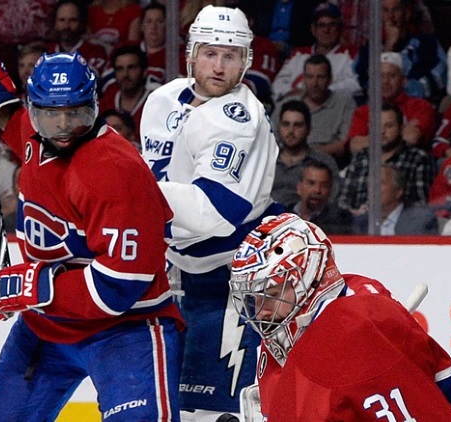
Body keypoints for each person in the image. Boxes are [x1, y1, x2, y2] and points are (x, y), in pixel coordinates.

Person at [0, 47, 183, 420]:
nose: (63, 128)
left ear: (92, 106)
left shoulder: (116, 171)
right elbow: (10, 117)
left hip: (125, 329)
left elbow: (121, 285)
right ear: (35, 111)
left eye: (75, 114)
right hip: (49, 325)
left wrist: (39, 286)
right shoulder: (34, 135)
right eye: (50, 115)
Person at [139, 6, 283, 419]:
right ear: (191, 55)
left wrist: (132, 194)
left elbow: (214, 212)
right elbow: (157, 171)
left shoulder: (240, 119)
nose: (218, 67)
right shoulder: (163, 100)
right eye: (209, 54)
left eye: (230, 56)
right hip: (176, 272)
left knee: (226, 409)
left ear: (246, 62)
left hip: (235, 278)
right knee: (174, 404)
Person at [228, 212, 451, 421]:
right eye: (255, 298)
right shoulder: (280, 332)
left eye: (271, 294)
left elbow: (446, 388)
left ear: (307, 279)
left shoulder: (369, 319)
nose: (262, 310)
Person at [339, 103, 436, 213]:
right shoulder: (360, 157)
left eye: (389, 126)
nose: (382, 131)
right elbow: (343, 201)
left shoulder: (418, 158)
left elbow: (421, 204)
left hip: (399, 225)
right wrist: (353, 213)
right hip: (357, 224)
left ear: (401, 128)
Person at [353, 0, 447, 103]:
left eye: (396, 10)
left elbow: (440, 77)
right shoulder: (368, 49)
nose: (390, 16)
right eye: (385, 10)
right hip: (378, 112)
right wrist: (389, 47)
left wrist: (399, 90)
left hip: (416, 107)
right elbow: (358, 84)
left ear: (406, 13)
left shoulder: (428, 43)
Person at [270, 54, 355, 165]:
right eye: (310, 77)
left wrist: (307, 155)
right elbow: (270, 138)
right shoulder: (286, 104)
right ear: (304, 79)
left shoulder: (345, 103)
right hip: (285, 162)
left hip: (328, 164)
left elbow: (345, 143)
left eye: (320, 77)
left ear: (330, 79)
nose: (315, 83)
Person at [347, 52, 436, 154]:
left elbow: (412, 138)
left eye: (392, 75)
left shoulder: (420, 106)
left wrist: (370, 139)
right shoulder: (363, 111)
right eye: (380, 76)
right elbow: (355, 146)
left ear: (404, 81)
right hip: (371, 165)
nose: (385, 81)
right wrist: (399, 133)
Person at [271, 3, 360, 103]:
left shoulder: (351, 54)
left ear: (339, 29)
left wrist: (316, 92)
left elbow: (355, 86)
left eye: (332, 25)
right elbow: (278, 85)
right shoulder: (298, 53)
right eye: (321, 25)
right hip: (294, 106)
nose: (326, 30)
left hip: (330, 108)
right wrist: (296, 93)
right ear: (313, 30)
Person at [272, 99, 340, 208]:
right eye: (286, 124)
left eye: (297, 125)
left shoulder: (324, 162)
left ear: (309, 130)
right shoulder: (265, 161)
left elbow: (331, 200)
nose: (290, 131)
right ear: (279, 128)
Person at [353, 164, 439, 235]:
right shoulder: (358, 223)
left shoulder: (421, 221)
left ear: (398, 192)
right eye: (370, 183)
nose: (373, 188)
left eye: (380, 183)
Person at [288, 159, 355, 234]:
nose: (317, 190)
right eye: (311, 183)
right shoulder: (282, 217)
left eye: (324, 185)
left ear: (331, 190)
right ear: (299, 187)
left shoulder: (340, 221)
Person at [47, 0, 109, 78]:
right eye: (62, 20)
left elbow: (87, 81)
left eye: (73, 20)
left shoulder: (95, 51)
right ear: (55, 23)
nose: (66, 26)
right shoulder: (46, 50)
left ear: (82, 23)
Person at [99, 45, 151, 139]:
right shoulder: (103, 106)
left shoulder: (154, 104)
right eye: (120, 69)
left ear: (144, 71)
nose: (125, 74)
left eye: (131, 68)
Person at [139, 2, 187, 86]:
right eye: (149, 21)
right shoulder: (130, 52)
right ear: (142, 26)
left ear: (168, 26)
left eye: (159, 21)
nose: (153, 27)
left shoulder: (179, 55)